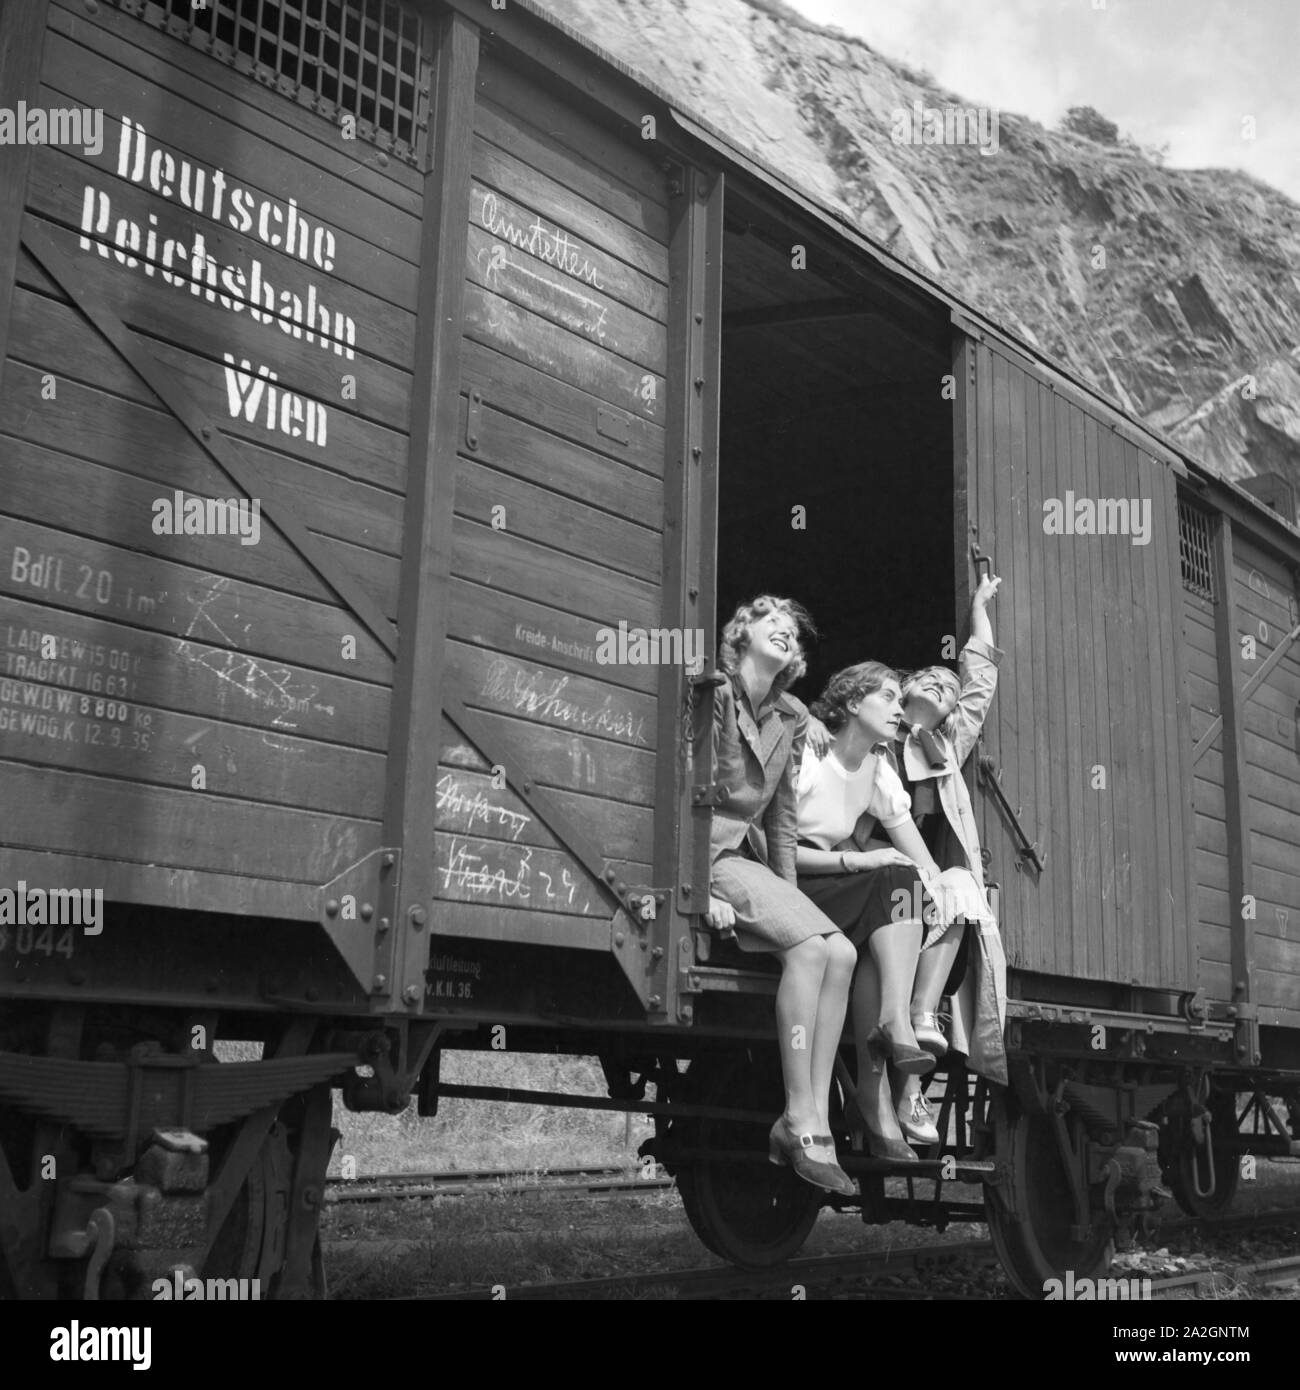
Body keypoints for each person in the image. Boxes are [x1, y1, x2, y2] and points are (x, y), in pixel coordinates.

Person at [703, 596, 858, 1196]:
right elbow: (686, 792)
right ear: (742, 634)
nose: (786, 631)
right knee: (813, 954)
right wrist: (694, 890)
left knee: (839, 952)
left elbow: (783, 821)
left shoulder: (789, 716)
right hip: (708, 852)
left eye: (793, 630)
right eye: (772, 622)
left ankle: (813, 1117)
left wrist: (792, 908)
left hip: (750, 859)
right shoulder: (714, 693)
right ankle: (797, 1116)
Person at [793, 662, 946, 1161]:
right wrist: (858, 858)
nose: (899, 707)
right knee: (889, 878)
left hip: (834, 885)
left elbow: (914, 855)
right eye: (886, 696)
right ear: (852, 704)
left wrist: (943, 891)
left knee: (906, 885)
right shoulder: (810, 755)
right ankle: (890, 1038)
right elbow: (773, 851)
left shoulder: (878, 768)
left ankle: (880, 1076)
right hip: (792, 881)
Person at [888, 572, 1009, 1146]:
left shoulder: (945, 747)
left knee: (963, 890)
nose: (945, 685)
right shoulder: (875, 731)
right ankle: (906, 1089)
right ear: (904, 689)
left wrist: (981, 608)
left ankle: (920, 1016)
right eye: (931, 679)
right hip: (874, 874)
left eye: (948, 688)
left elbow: (978, 681)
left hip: (922, 888)